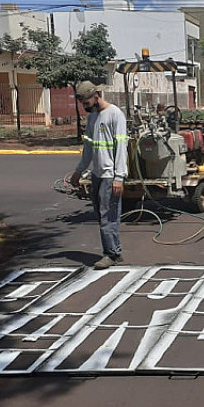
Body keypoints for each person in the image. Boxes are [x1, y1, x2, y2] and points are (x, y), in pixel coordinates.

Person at [69, 81, 129, 269]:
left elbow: (121, 148)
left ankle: (110, 254)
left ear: (96, 96)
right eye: (83, 104)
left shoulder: (115, 115)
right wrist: (78, 171)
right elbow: (88, 149)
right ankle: (115, 251)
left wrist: (119, 177)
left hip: (110, 176)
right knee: (102, 215)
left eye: (87, 103)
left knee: (108, 215)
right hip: (97, 174)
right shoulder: (93, 118)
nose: (85, 107)